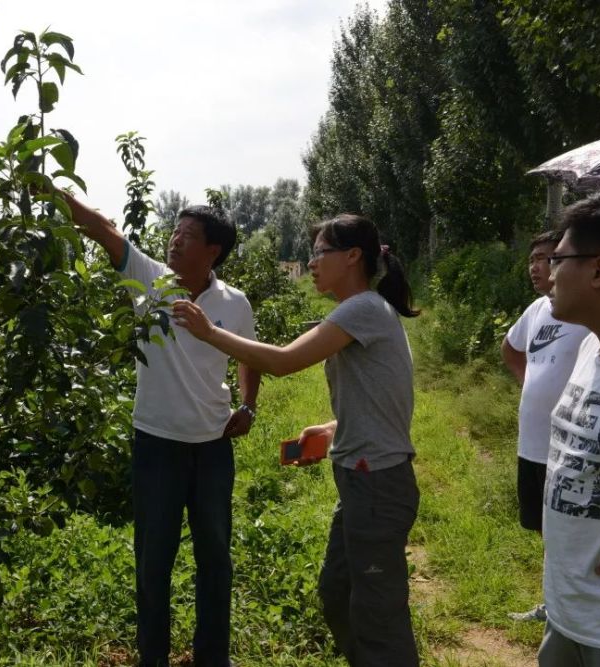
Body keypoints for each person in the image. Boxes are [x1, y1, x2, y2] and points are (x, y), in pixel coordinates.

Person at [173, 213, 420, 666]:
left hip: (377, 484)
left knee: (378, 614)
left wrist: (210, 332)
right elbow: (385, 396)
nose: (311, 263)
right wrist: (332, 430)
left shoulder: (362, 308)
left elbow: (284, 362)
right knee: (337, 593)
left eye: (319, 252)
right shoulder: (363, 311)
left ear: (352, 257)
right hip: (362, 479)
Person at [61, 191, 261, 667]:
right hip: (156, 446)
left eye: (188, 236)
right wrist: (54, 193)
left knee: (215, 559)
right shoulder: (150, 280)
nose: (174, 241)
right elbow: (106, 231)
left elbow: (249, 356)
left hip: (213, 447)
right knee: (153, 562)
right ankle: (153, 657)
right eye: (174, 231)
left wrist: (249, 406)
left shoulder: (234, 303)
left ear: (213, 251)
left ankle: (213, 657)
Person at [538, 193, 600, 666]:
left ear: (599, 271)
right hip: (568, 613)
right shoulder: (589, 350)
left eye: (558, 259)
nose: (549, 273)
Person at [501, 230, 589, 622]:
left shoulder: (586, 313)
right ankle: (555, 603)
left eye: (549, 258)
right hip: (532, 442)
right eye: (533, 259)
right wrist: (531, 387)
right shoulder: (536, 310)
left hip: (571, 445)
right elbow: (511, 348)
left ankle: (570, 607)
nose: (539, 267)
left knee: (573, 531)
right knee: (545, 528)